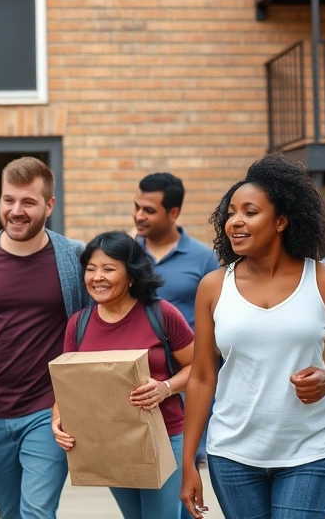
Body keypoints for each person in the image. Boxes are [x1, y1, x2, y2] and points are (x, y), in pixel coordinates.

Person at [180, 154, 325, 519]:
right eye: (231, 213)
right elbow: (202, 376)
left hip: (311, 449)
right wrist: (189, 460)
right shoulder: (213, 287)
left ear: (282, 221)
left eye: (250, 212)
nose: (235, 221)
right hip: (232, 453)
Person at [0, 157, 87, 519]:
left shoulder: (74, 258)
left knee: (37, 512)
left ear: (49, 206)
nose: (16, 211)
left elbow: (91, 333)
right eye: (9, 200)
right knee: (9, 513)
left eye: (28, 202)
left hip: (48, 411)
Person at [51, 231, 195, 519]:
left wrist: (166, 387)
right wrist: (58, 420)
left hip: (165, 437)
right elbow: (67, 389)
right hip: (111, 443)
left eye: (108, 269)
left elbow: (200, 368)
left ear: (131, 276)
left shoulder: (161, 314)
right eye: (90, 269)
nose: (96, 277)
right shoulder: (78, 324)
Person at [133, 172, 218, 472]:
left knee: (186, 469)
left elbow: (219, 317)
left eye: (149, 210)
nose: (139, 216)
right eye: (137, 207)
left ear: (173, 212)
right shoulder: (127, 256)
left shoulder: (203, 258)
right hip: (141, 382)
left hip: (190, 378)